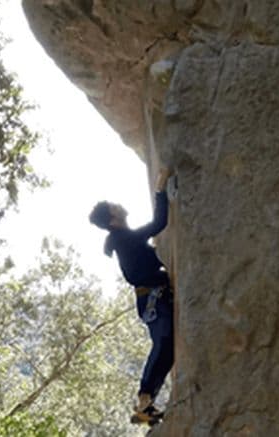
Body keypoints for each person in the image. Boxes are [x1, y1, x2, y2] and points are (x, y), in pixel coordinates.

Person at [88, 168, 174, 425]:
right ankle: (144, 397)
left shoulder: (123, 239)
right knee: (164, 342)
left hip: (152, 298)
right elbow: (158, 224)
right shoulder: (122, 237)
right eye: (114, 205)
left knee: (168, 349)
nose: (119, 205)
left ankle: (146, 404)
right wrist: (160, 190)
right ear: (113, 218)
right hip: (152, 298)